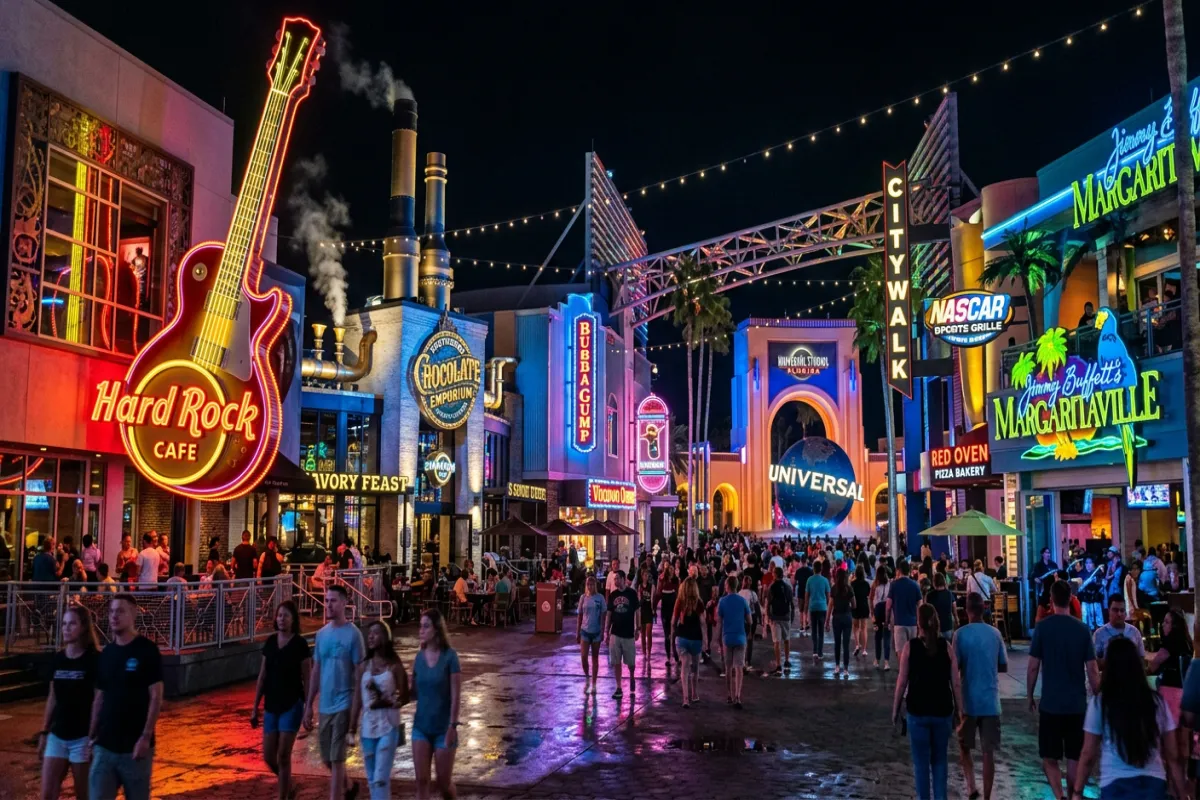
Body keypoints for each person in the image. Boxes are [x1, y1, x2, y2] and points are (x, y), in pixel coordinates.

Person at [1072, 637, 1187, 800]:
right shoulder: (1156, 702)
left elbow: (1088, 754)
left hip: (1115, 787)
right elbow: (1173, 755)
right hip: (1153, 786)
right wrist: (1182, 794)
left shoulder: (1100, 703)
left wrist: (1077, 792)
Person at [1028, 580, 1101, 800]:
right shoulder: (1082, 630)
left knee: (1049, 758)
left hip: (1051, 704)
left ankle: (1060, 796)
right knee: (1074, 757)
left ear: (1051, 599)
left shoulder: (1043, 628)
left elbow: (1033, 666)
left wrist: (1030, 694)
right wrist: (1098, 695)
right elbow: (1092, 669)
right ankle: (1072, 794)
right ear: (1071, 599)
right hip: (1076, 705)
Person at [87, 594, 164, 800]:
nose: (114, 616)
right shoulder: (107, 653)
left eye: (120, 611)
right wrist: (91, 734)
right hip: (105, 745)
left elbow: (156, 696)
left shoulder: (147, 651)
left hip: (135, 749)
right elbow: (100, 697)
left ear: (133, 613)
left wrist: (146, 736)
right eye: (111, 611)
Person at [303, 584, 366, 800]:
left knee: (337, 757)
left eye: (333, 601)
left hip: (344, 702)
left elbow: (360, 673)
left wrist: (357, 708)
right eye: (327, 600)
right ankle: (348, 786)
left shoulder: (354, 635)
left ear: (344, 603)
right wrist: (308, 705)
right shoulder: (321, 635)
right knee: (327, 758)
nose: (328, 604)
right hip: (325, 705)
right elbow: (316, 670)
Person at [892, 603, 960, 800]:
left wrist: (895, 709)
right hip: (942, 711)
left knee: (921, 766)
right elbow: (955, 683)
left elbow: (902, 682)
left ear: (918, 623)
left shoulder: (909, 648)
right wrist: (960, 710)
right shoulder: (946, 648)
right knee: (940, 763)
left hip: (918, 712)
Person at [251, 600, 310, 800]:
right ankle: (288, 785)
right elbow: (262, 676)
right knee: (269, 756)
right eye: (279, 615)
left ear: (293, 619)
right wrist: (254, 707)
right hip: (271, 704)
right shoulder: (270, 642)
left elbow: (308, 678)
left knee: (283, 754)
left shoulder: (300, 644)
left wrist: (309, 707)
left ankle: (283, 796)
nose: (282, 619)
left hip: (292, 704)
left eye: (285, 615)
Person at [40, 605, 100, 800]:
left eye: (72, 623)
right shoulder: (59, 659)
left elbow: (99, 700)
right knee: (47, 794)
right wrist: (44, 731)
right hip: (58, 735)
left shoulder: (93, 660)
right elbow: (53, 697)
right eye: (64, 624)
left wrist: (93, 737)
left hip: (82, 738)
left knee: (83, 795)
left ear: (83, 627)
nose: (66, 628)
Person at [955, 592, 1007, 800]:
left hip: (969, 701)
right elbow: (1003, 665)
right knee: (988, 753)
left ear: (966, 610)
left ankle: (971, 786)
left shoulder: (960, 635)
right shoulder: (995, 634)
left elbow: (955, 667)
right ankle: (986, 796)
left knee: (964, 746)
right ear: (984, 609)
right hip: (991, 701)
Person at [351, 620, 409, 800]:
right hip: (367, 729)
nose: (370, 636)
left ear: (385, 637)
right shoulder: (364, 666)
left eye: (375, 633)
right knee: (371, 779)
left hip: (389, 727)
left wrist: (393, 701)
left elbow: (405, 694)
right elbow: (357, 698)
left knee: (380, 779)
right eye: (369, 633)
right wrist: (352, 727)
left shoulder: (394, 665)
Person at [411, 609, 461, 800]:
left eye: (426, 626)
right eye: (420, 626)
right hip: (421, 727)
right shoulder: (418, 658)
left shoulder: (450, 657)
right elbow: (414, 693)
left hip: (443, 728)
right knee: (421, 781)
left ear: (437, 629)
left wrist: (452, 725)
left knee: (443, 783)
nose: (421, 630)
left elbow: (456, 695)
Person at [1148, 608, 1191, 754]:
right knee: (1182, 741)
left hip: (1170, 692)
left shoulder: (1169, 645)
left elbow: (1152, 667)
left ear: (1174, 626)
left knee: (1168, 741)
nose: (1163, 625)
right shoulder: (1187, 644)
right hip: (1184, 692)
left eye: (1167, 622)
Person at [716, 575, 751, 708]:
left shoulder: (722, 602)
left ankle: (729, 695)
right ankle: (738, 696)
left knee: (728, 668)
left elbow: (719, 622)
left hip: (727, 637)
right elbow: (750, 620)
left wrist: (717, 638)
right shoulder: (742, 601)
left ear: (727, 586)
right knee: (739, 668)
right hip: (740, 637)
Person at [673, 577, 707, 708]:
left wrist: (672, 636)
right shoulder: (699, 603)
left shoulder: (679, 602)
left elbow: (673, 621)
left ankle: (685, 698)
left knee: (685, 667)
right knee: (695, 668)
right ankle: (694, 693)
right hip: (696, 638)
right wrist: (706, 640)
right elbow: (703, 622)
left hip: (682, 637)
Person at [605, 571, 639, 700]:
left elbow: (637, 611)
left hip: (629, 633)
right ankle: (618, 687)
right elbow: (609, 613)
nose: (615, 581)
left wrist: (638, 628)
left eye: (618, 578)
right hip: (615, 633)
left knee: (631, 663)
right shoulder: (613, 595)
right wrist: (606, 631)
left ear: (624, 579)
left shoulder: (632, 594)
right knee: (616, 661)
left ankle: (631, 675)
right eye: (614, 579)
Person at [1093, 594, 1144, 671]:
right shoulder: (1099, 634)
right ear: (1108, 611)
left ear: (1125, 612)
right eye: (1115, 610)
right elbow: (1094, 662)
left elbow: (1141, 658)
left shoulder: (1134, 632)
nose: (1119, 614)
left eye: (1122, 610)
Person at [576, 576, 606, 694]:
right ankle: (587, 676)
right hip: (584, 631)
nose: (590, 586)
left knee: (595, 658)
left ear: (595, 586)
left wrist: (603, 630)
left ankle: (594, 683)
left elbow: (603, 615)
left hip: (596, 632)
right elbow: (579, 615)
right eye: (588, 584)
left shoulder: (600, 598)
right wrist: (577, 632)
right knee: (584, 657)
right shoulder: (583, 598)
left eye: (592, 584)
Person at [889, 559, 922, 659]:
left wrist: (887, 620)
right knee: (913, 651)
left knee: (901, 652)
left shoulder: (894, 585)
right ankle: (912, 672)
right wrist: (919, 622)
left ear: (899, 570)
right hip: (912, 623)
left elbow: (888, 605)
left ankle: (902, 672)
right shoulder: (915, 585)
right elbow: (920, 605)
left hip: (899, 623)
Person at [767, 566, 794, 674]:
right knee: (786, 639)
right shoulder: (787, 587)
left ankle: (778, 664)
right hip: (785, 616)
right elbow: (791, 603)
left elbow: (768, 603)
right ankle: (787, 660)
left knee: (776, 641)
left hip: (776, 617)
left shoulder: (772, 587)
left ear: (775, 574)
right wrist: (791, 617)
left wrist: (769, 616)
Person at [830, 566, 856, 677]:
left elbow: (830, 605)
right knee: (846, 644)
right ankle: (846, 669)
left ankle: (837, 666)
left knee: (837, 643)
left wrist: (827, 620)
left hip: (836, 618)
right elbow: (854, 605)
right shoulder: (849, 589)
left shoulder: (834, 588)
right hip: (847, 618)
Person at [805, 560, 832, 661]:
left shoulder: (809, 580)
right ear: (821, 569)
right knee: (821, 631)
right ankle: (820, 652)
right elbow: (829, 597)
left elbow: (806, 596)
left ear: (813, 569)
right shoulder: (825, 580)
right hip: (822, 608)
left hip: (813, 607)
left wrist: (805, 609)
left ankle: (815, 651)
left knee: (814, 631)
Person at [655, 563, 680, 666]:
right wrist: (654, 608)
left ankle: (675, 655)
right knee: (667, 636)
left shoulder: (676, 581)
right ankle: (668, 657)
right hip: (665, 610)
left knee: (674, 634)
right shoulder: (662, 580)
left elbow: (679, 596)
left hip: (674, 610)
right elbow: (658, 594)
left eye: (672, 569)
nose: (670, 571)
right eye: (669, 569)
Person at [737, 574, 760, 673]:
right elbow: (757, 607)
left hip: (741, 618)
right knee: (750, 640)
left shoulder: (739, 593)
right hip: (751, 617)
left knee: (742, 639)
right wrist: (760, 619)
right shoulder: (753, 593)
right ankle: (748, 661)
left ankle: (741, 661)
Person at [871, 567, 892, 670]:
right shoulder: (890, 585)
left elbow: (873, 601)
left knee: (878, 637)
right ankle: (887, 662)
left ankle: (877, 660)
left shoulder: (875, 585)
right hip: (887, 611)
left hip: (878, 612)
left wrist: (873, 615)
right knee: (887, 637)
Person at [927, 572, 955, 642]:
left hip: (935, 627)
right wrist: (956, 618)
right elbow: (954, 607)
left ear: (934, 582)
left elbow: (927, 610)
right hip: (948, 625)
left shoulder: (930, 595)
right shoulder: (949, 593)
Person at [851, 564, 871, 658]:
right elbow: (868, 595)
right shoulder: (866, 584)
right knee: (864, 628)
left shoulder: (853, 584)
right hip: (864, 606)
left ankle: (857, 645)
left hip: (855, 606)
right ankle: (864, 650)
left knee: (855, 627)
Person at [636, 568, 655, 659]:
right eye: (644, 575)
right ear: (642, 576)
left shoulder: (651, 586)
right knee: (643, 634)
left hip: (649, 611)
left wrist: (653, 610)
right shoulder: (640, 587)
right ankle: (644, 652)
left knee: (649, 633)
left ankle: (649, 652)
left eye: (647, 575)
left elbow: (652, 600)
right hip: (642, 610)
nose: (645, 577)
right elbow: (638, 600)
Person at [794, 556, 813, 636]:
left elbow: (794, 581)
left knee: (801, 609)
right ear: (807, 561)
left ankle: (802, 625)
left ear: (801, 562)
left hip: (801, 591)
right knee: (807, 608)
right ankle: (807, 623)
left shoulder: (798, 571)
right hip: (808, 591)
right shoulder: (810, 571)